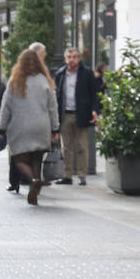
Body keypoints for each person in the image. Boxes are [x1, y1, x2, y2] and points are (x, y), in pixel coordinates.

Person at [0, 47, 60, 205]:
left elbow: (6, 106)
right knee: (36, 159)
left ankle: (33, 181)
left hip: (20, 126)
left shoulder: (15, 81)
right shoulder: (45, 81)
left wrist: (1, 127)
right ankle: (35, 189)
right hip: (41, 126)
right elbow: (52, 107)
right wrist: (55, 128)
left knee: (19, 158)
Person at [52, 47, 101, 185]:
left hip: (81, 113)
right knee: (66, 147)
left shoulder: (87, 73)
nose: (71, 60)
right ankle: (67, 175)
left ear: (79, 59)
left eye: (74, 57)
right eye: (69, 57)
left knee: (82, 146)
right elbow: (56, 95)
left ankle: (82, 175)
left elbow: (94, 94)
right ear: (65, 59)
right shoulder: (60, 74)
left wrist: (94, 110)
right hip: (65, 114)